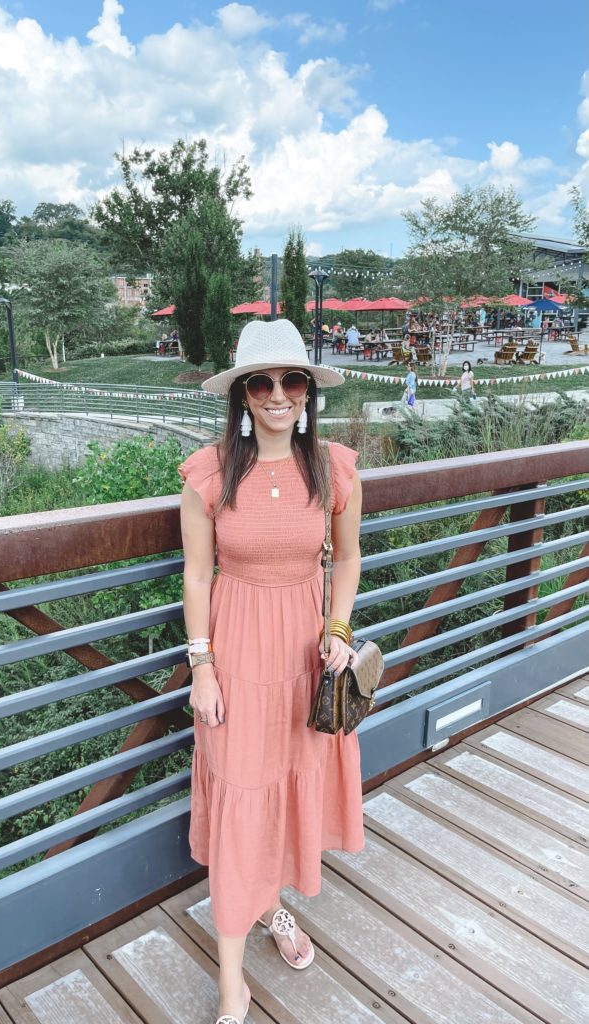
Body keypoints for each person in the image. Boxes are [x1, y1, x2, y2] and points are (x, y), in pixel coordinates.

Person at [178, 319, 363, 1024]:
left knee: (285, 784)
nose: (278, 394)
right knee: (240, 795)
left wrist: (339, 630)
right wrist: (202, 666)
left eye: (292, 381)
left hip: (305, 657)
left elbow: (345, 559)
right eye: (262, 382)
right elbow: (197, 575)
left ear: (307, 390)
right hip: (235, 650)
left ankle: (272, 906)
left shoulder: (335, 468)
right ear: (243, 395)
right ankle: (233, 985)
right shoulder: (212, 472)